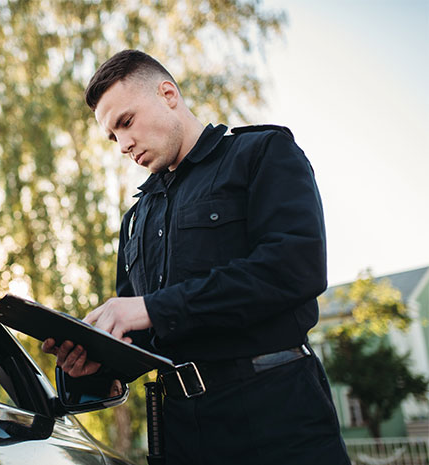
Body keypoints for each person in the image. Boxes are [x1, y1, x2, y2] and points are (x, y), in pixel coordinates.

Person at [42, 49, 350, 464]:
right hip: (180, 433)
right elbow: (144, 338)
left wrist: (151, 307)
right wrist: (95, 363)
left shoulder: (260, 153)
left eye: (126, 122)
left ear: (168, 94)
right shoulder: (136, 218)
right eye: (113, 136)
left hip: (276, 417)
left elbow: (294, 268)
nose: (122, 145)